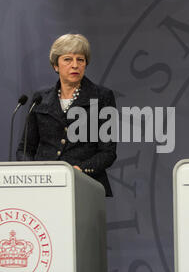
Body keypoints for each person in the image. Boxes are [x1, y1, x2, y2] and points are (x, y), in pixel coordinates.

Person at [16, 34, 117, 196]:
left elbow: (108, 152)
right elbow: (25, 149)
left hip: (85, 185)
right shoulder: (40, 98)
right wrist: (34, 172)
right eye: (68, 59)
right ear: (56, 65)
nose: (75, 65)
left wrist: (80, 170)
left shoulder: (102, 97)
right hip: (43, 187)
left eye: (80, 60)